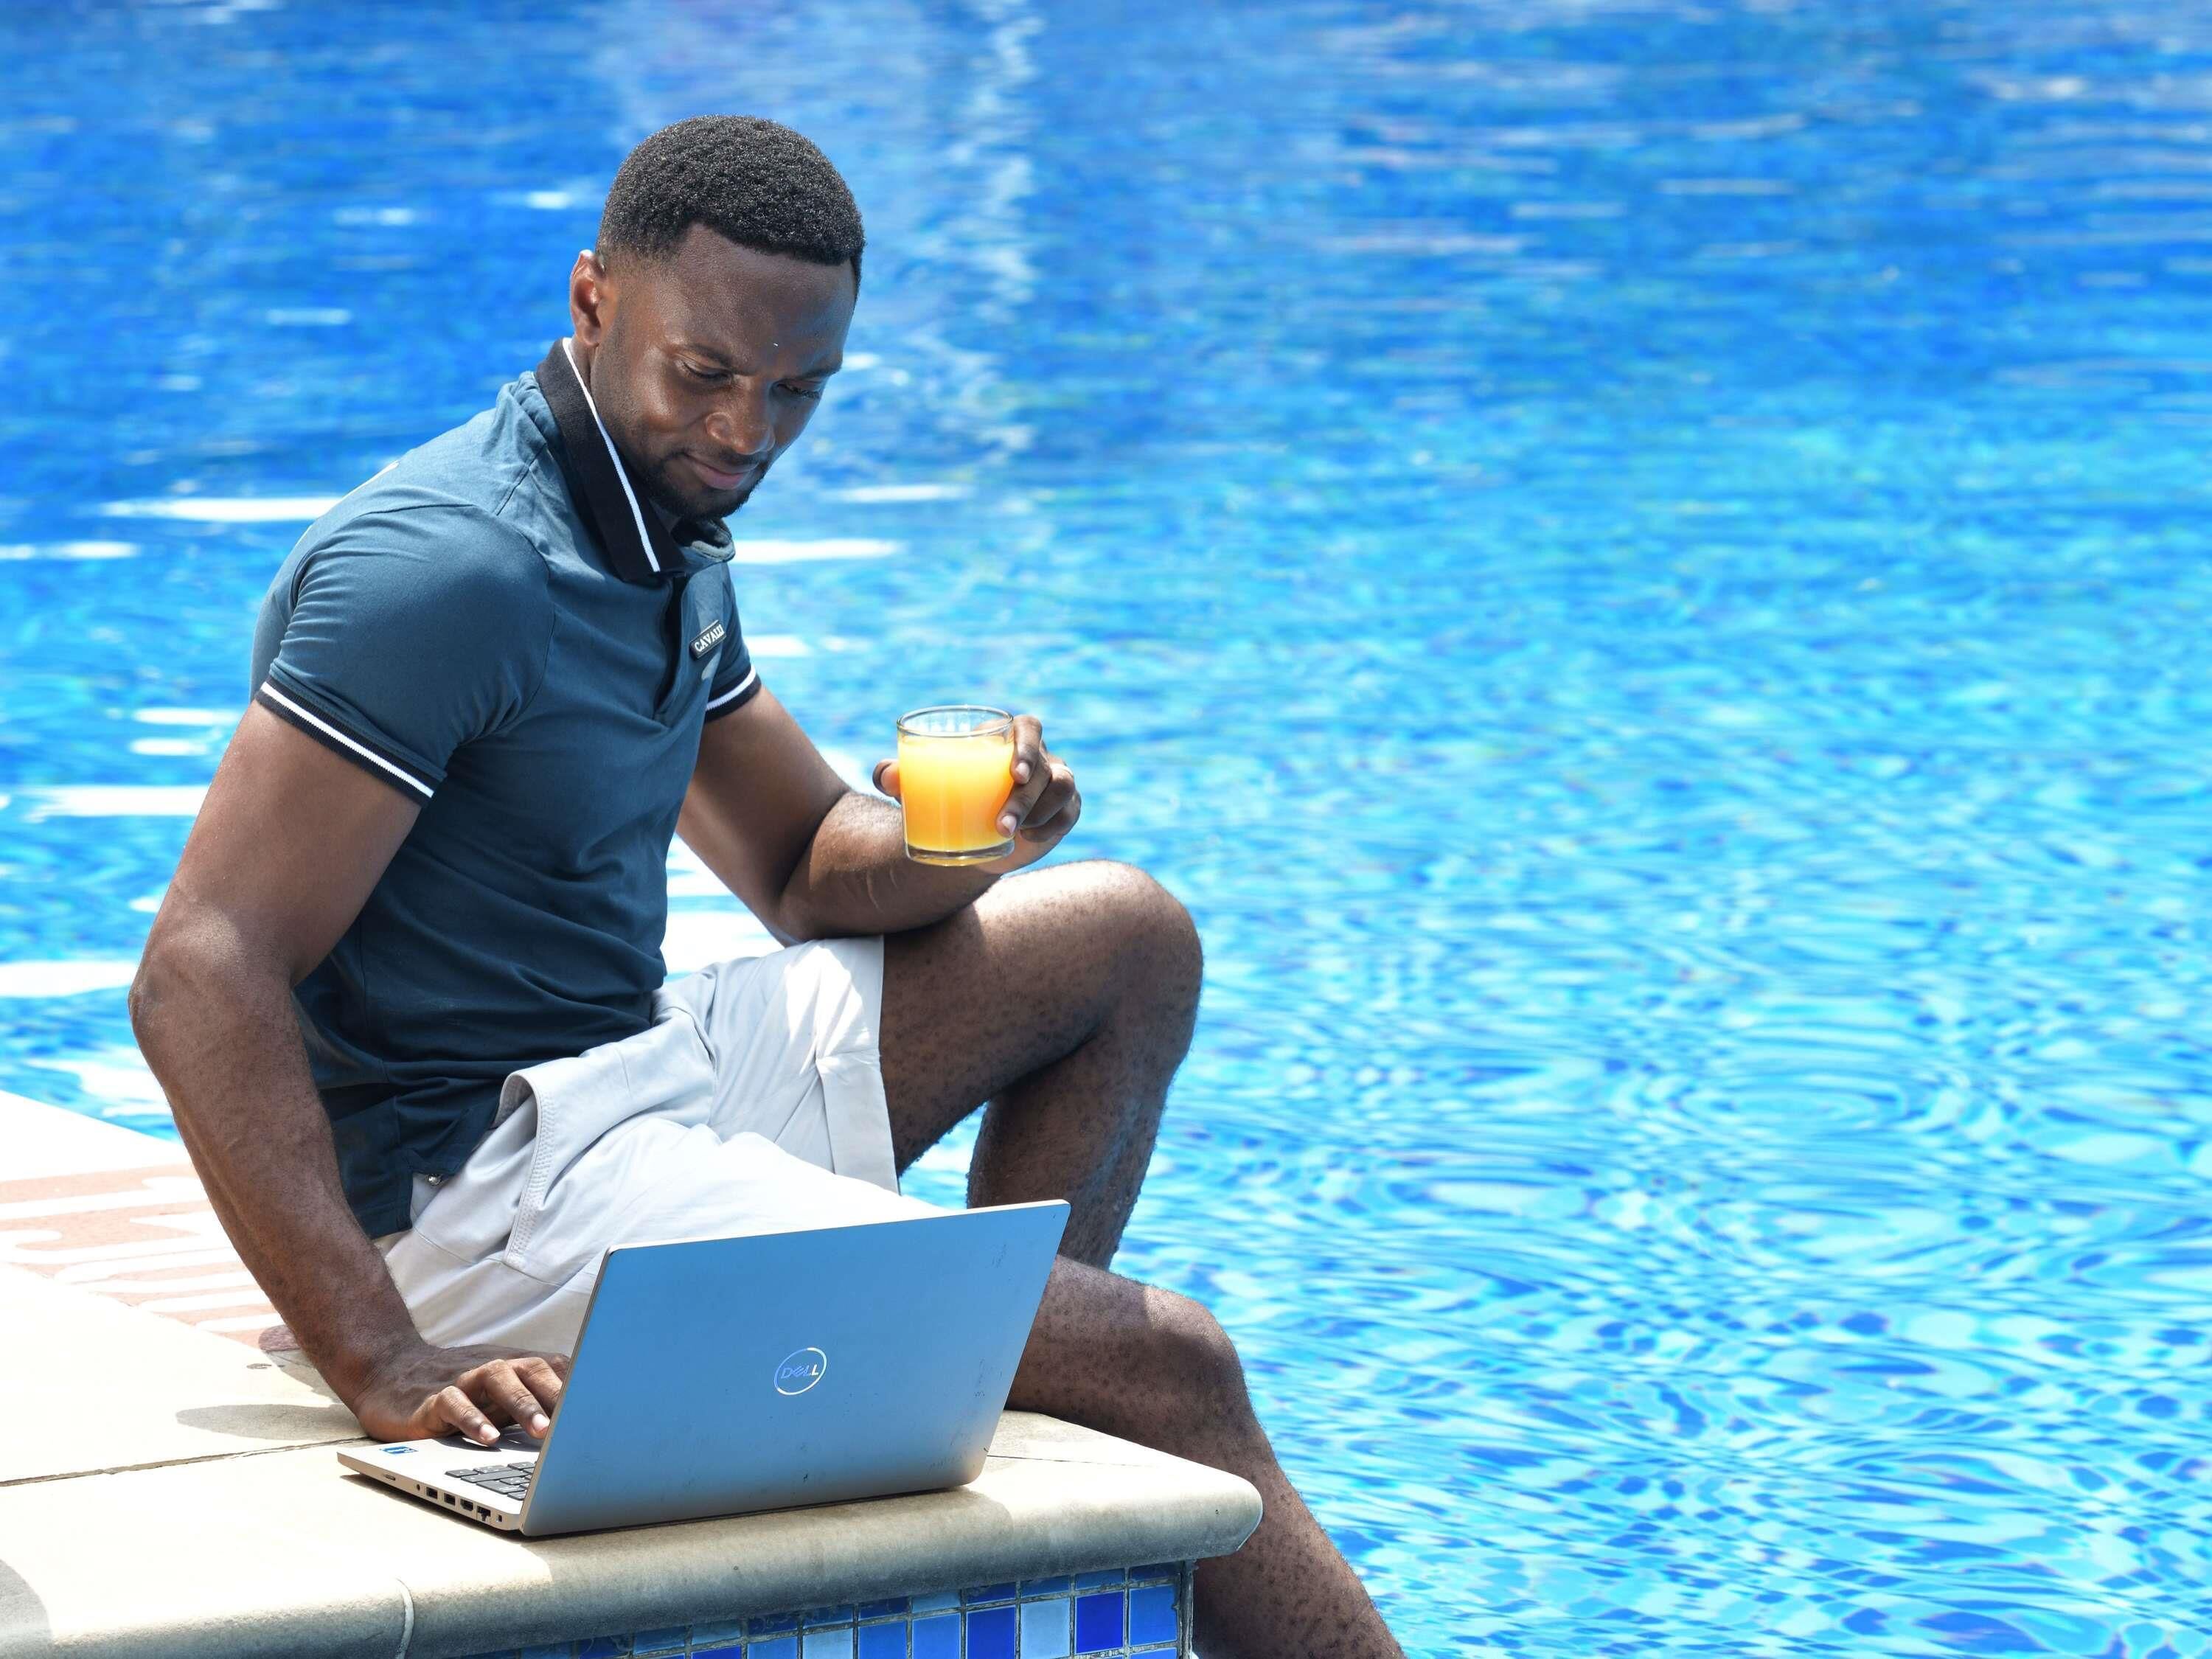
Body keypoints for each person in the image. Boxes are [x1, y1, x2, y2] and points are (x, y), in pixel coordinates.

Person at [130, 115, 1401, 1658]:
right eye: (710, 374)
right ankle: (1028, 1369)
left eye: (800, 390)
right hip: (478, 1186)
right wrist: (377, 1354)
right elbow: (200, 966)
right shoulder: (450, 572)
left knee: (1126, 938)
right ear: (593, 299)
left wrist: (969, 841)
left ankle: (988, 1381)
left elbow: (803, 863)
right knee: (1178, 1367)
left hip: (636, 1079)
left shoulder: (660, 516)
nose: (750, 430)